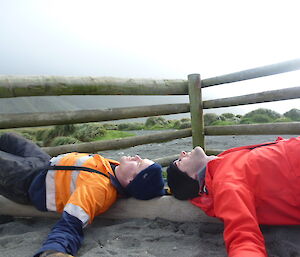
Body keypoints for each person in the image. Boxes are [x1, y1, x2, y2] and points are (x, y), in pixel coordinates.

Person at [0, 132, 165, 257]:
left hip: (28, 180)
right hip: (45, 162)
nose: (136, 157)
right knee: (8, 138)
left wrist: (55, 251)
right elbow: (156, 187)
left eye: (139, 164)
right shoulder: (113, 170)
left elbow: (73, 222)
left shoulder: (99, 189)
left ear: (130, 180)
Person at [166, 136, 300, 257]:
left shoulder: (222, 162)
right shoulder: (225, 183)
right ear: (192, 178)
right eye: (179, 162)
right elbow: (242, 235)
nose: (182, 153)